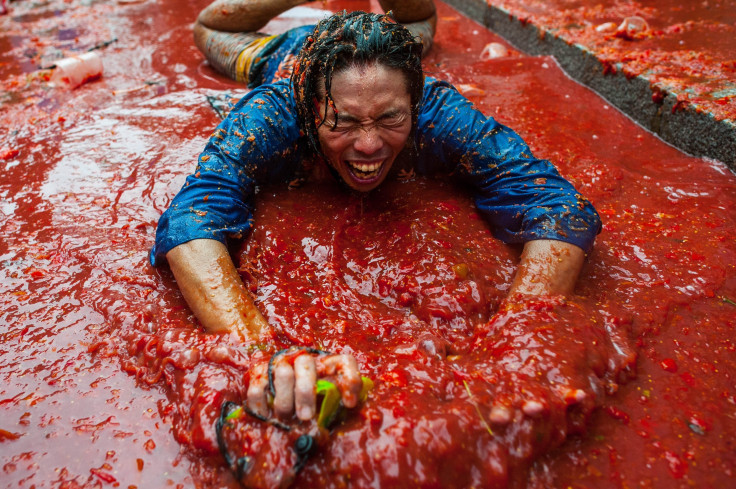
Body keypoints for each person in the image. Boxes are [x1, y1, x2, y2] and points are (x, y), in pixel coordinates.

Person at [151, 0, 601, 428]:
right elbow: (192, 218)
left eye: (390, 119)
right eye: (342, 122)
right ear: (309, 114)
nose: (368, 145)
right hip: (281, 53)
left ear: (414, 102)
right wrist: (258, 352)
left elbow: (556, 203)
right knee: (209, 29)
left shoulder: (437, 110)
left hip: (393, 43)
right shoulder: (272, 115)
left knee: (421, 25)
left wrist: (519, 337)